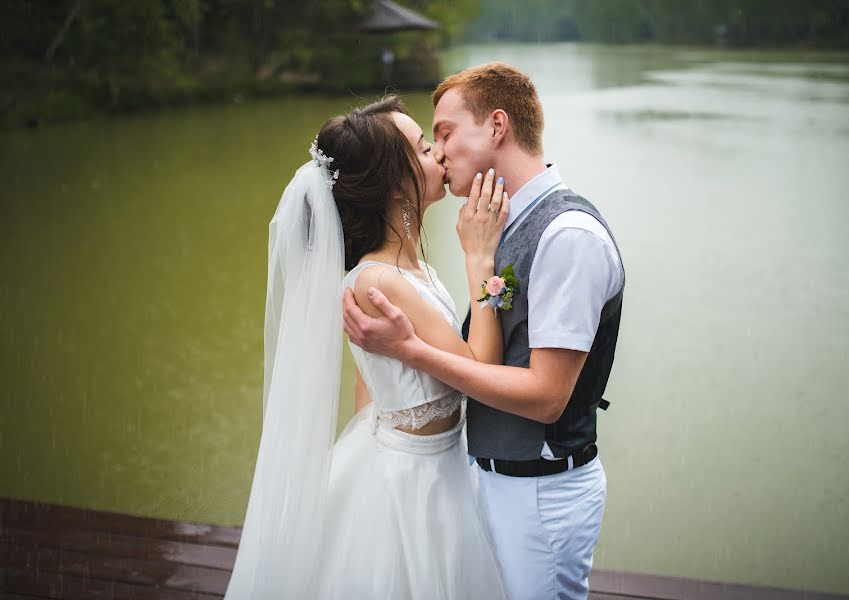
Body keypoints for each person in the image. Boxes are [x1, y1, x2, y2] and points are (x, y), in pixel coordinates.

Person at [343, 62, 625, 600]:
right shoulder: (503, 227)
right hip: (487, 481)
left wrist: (409, 350)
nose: (440, 152)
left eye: (445, 133)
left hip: (541, 494)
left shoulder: (567, 236)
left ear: (497, 127)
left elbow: (546, 398)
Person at [223, 95, 510, 598]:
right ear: (397, 183)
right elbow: (482, 372)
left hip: (427, 466)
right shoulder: (380, 280)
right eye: (425, 148)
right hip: (413, 481)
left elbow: (367, 380)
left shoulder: (405, 269)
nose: (440, 155)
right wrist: (481, 258)